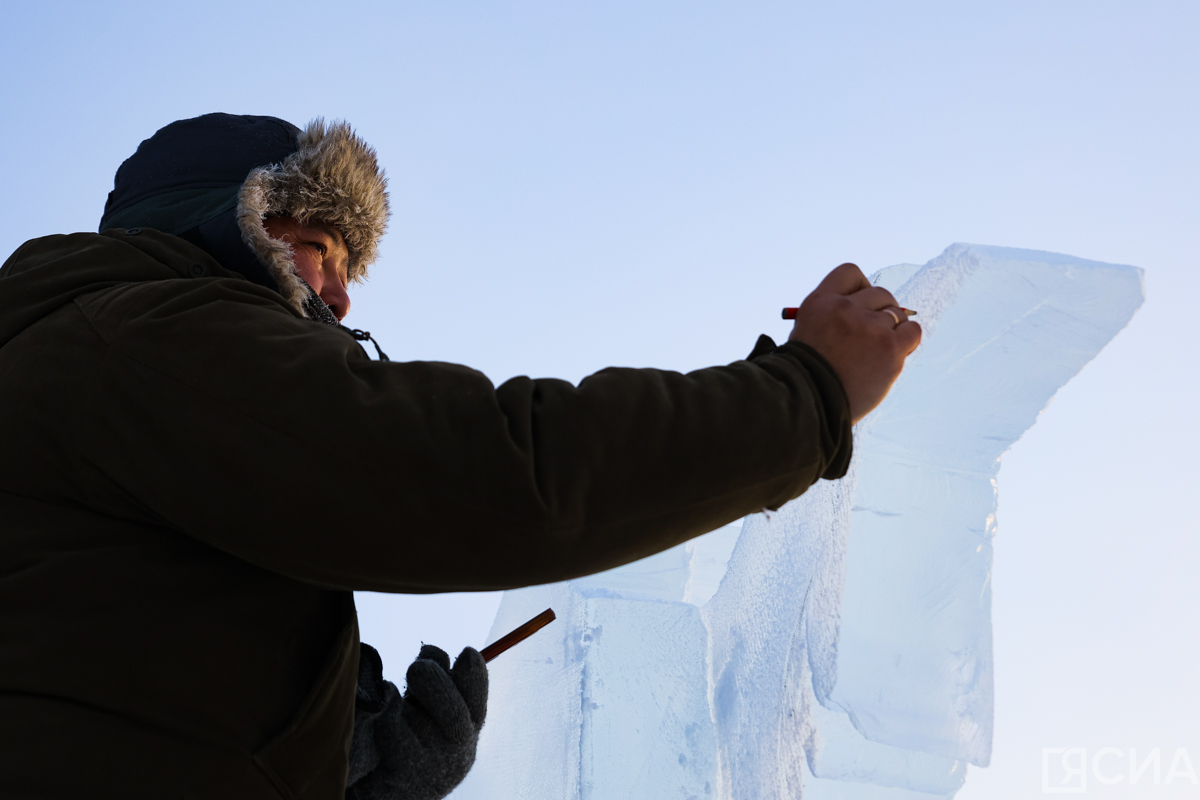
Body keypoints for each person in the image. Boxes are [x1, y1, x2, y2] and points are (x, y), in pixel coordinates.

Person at [0, 113, 920, 800]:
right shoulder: (146, 336)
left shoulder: (106, 359)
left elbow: (138, 701)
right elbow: (488, 476)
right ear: (234, 219)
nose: (340, 298)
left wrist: (359, 766)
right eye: (322, 250)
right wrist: (807, 395)